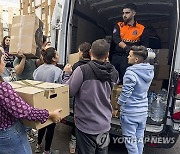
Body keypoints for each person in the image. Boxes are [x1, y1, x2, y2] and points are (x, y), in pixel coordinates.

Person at [0, 47, 62, 154]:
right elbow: (26, 112)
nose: (4, 62)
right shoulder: (3, 88)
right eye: (2, 58)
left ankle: (39, 145)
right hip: (9, 133)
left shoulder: (37, 67)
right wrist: (50, 114)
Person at [63, 39, 119, 154]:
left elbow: (69, 92)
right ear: (107, 54)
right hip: (104, 124)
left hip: (85, 125)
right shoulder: (114, 72)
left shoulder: (82, 70)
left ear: (90, 53)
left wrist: (66, 75)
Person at [118, 45, 154, 154]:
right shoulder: (148, 71)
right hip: (142, 111)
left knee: (130, 141)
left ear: (136, 59)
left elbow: (126, 92)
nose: (127, 57)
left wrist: (118, 104)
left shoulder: (130, 73)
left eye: (130, 55)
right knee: (139, 138)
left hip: (130, 112)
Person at [33, 47, 64, 154]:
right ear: (54, 59)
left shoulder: (38, 70)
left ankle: (38, 145)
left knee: (42, 124)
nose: (58, 56)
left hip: (39, 101)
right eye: (57, 54)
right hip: (52, 102)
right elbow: (61, 88)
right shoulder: (58, 71)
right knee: (51, 127)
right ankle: (46, 151)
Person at [110, 3, 149, 83]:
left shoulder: (141, 28)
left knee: (127, 80)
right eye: (123, 13)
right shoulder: (118, 25)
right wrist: (126, 47)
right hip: (116, 56)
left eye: (127, 13)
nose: (124, 15)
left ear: (134, 13)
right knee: (112, 80)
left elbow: (145, 45)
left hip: (129, 58)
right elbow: (116, 38)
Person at [69, 42, 91, 153]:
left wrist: (67, 74)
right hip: (90, 101)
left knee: (77, 122)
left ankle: (73, 142)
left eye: (78, 51)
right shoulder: (94, 65)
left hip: (79, 101)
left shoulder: (77, 66)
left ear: (81, 53)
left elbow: (70, 88)